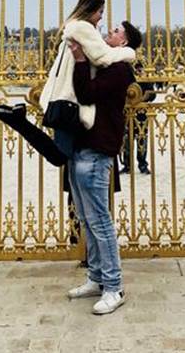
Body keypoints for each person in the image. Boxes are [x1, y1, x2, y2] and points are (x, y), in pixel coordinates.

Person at [0, 0, 135, 166]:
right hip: (69, 97)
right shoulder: (83, 29)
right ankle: (17, 120)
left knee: (61, 154)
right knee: (59, 156)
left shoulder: (76, 28)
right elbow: (102, 57)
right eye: (100, 12)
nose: (102, 18)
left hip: (64, 94)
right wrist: (128, 52)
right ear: (89, 10)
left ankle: (17, 119)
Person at [66, 19, 143, 316]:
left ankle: (114, 286)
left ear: (123, 42)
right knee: (86, 218)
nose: (107, 33)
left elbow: (86, 94)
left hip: (98, 148)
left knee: (99, 220)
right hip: (81, 145)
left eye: (114, 32)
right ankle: (96, 278)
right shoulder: (106, 63)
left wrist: (81, 60)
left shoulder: (120, 69)